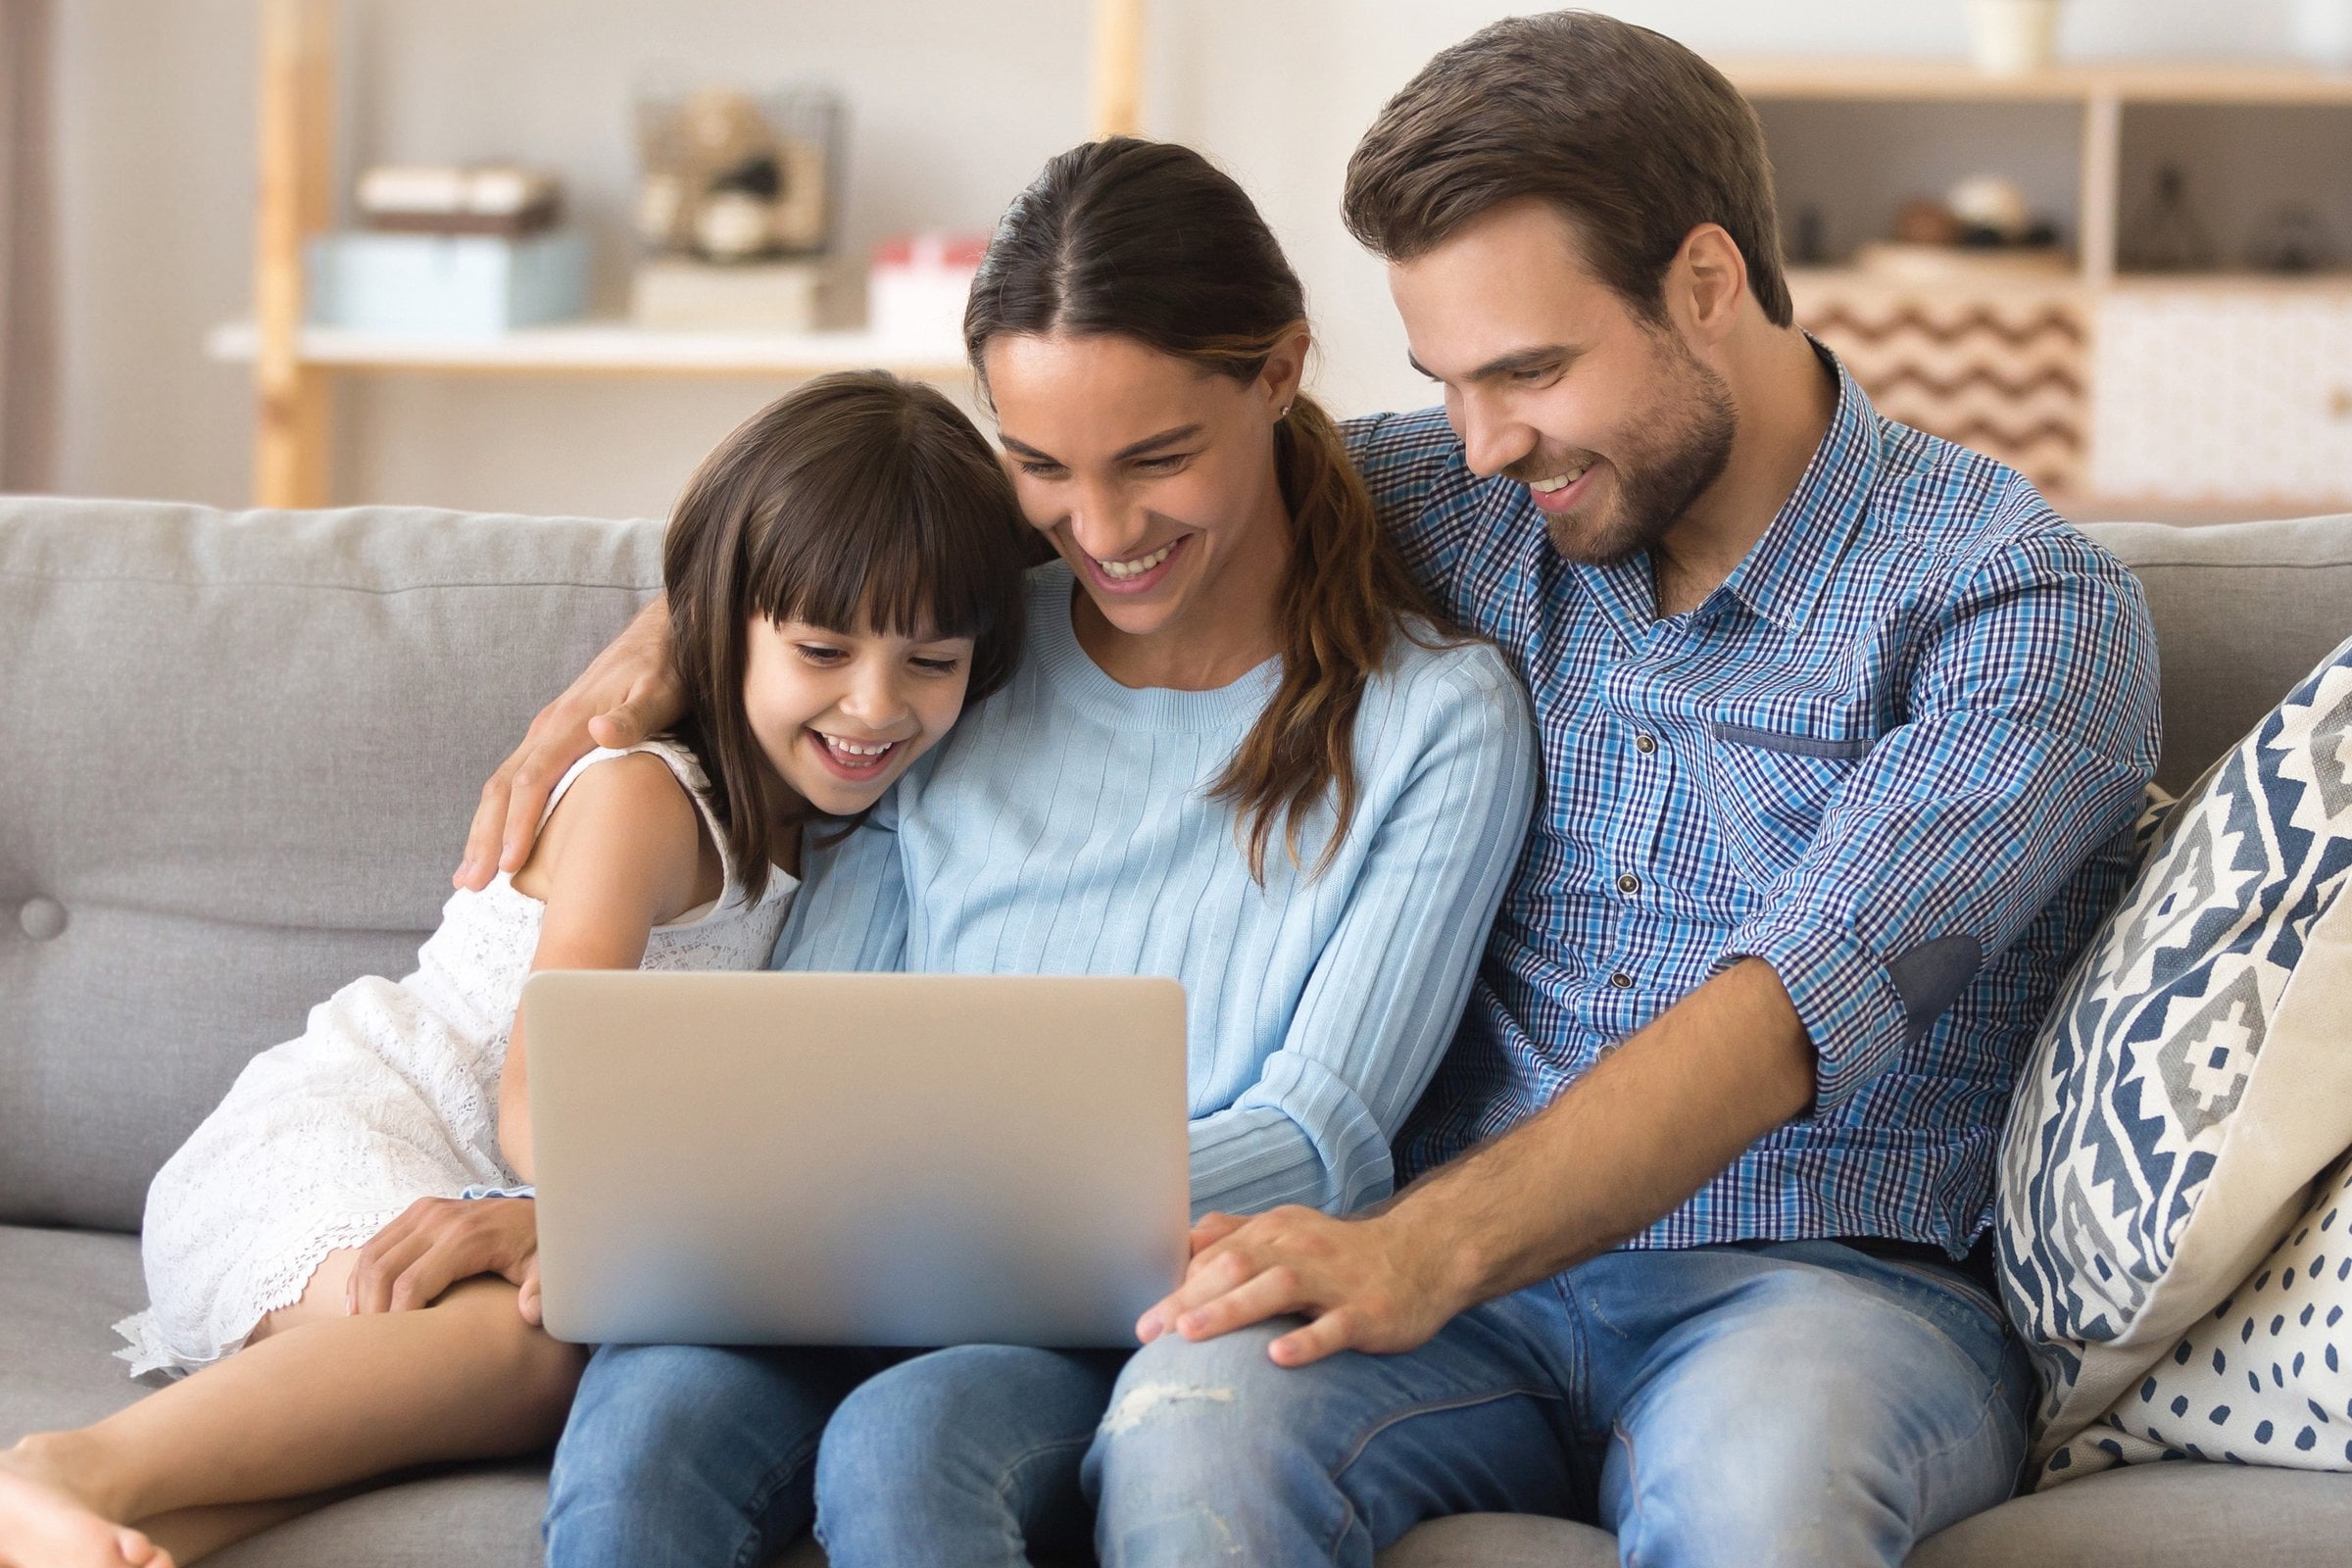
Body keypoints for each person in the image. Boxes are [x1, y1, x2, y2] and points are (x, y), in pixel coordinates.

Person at [1081, 14, 2164, 1567]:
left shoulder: (2019, 606)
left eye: (1530, 368)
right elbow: (1063, 502)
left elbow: (1787, 1013)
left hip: (1826, 1293)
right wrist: (676, 640)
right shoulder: (1466, 501)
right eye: (1446, 379)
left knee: (1763, 1495)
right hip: (1464, 1302)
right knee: (1192, 1425)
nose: (1483, 436)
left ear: (1706, 285)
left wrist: (1423, 1248)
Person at [451, 138, 1538, 1568]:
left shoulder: (1432, 718)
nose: (1102, 532)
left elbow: (1321, 1138)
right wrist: (636, 1211)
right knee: (644, 1420)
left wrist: (928, 1208)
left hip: (1125, 1301)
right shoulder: (956, 663)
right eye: (1041, 467)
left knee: (906, 1448)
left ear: (1279, 376)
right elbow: (813, 1030)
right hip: (842, 1256)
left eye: (1158, 461)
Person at [0, 371, 1031, 1568]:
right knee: (548, 1345)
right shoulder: (646, 798)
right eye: (820, 649)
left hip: (491, 1199)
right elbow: (541, 1091)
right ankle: (58, 1464)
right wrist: (591, 1224)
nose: (875, 704)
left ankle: (92, 1526)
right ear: (722, 622)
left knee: (535, 1356)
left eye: (931, 662)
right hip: (351, 1135)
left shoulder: (847, 824)